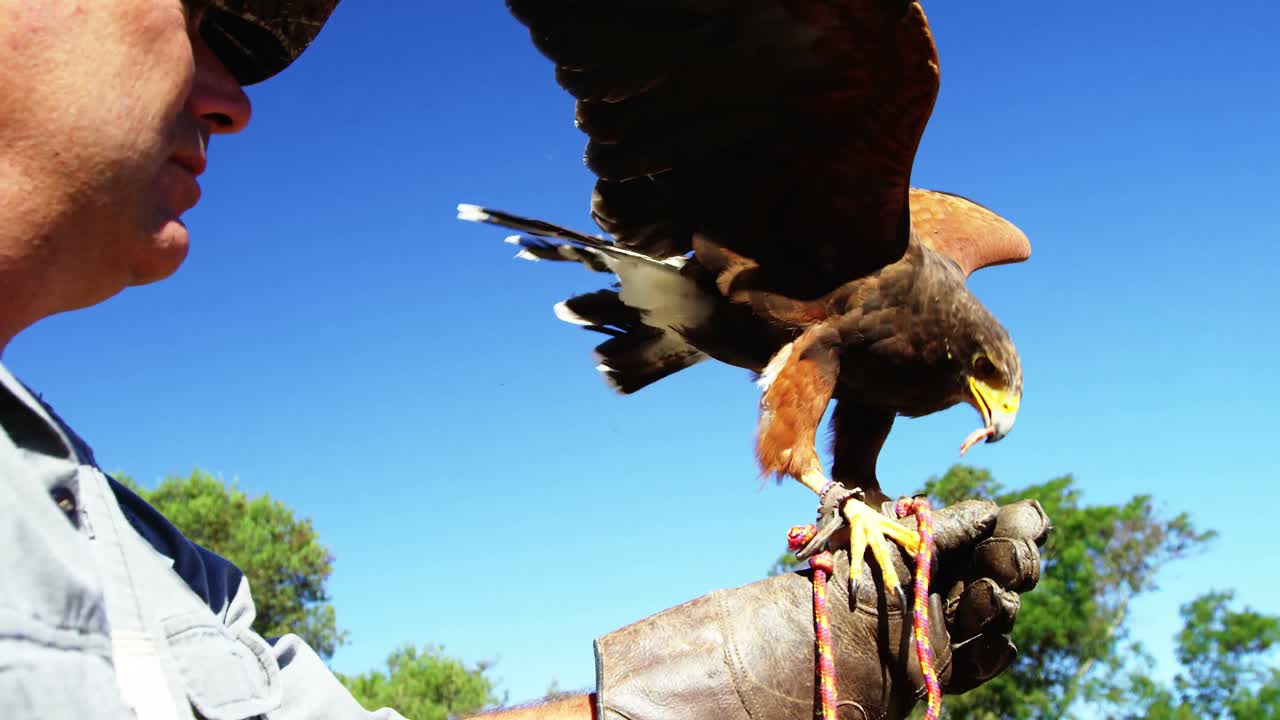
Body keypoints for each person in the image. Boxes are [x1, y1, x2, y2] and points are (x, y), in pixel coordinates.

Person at [0, 2, 1052, 719]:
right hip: (728, 294)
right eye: (204, 15)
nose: (235, 99)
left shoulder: (121, 545)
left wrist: (721, 693)